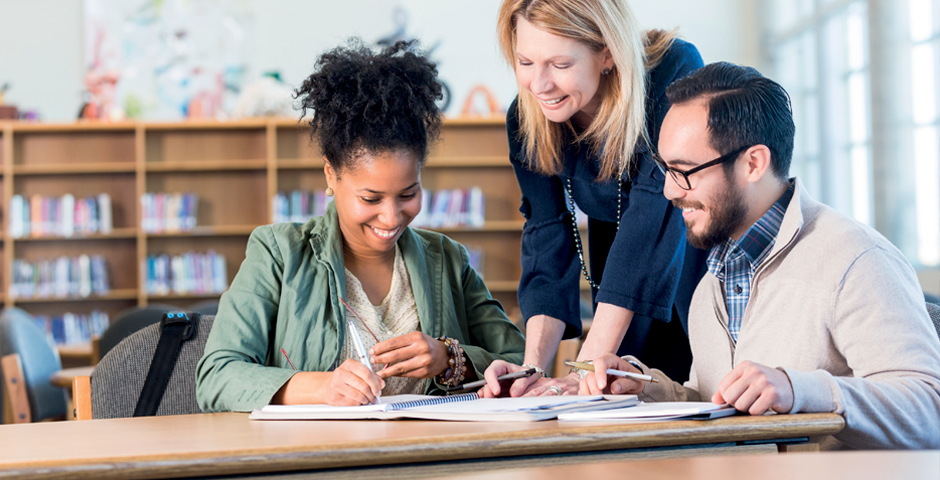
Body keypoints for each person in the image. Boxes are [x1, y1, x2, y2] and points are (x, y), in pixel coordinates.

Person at [582, 62, 940, 450]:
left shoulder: (857, 260)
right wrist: (650, 390)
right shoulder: (710, 281)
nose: (669, 191)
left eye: (684, 171)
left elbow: (927, 409)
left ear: (753, 163)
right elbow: (719, 407)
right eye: (665, 170)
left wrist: (797, 388)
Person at [196, 40, 526, 411]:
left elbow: (521, 363)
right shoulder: (279, 254)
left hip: (431, 459)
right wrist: (321, 388)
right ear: (330, 174)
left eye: (408, 194)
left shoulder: (447, 259)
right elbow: (217, 375)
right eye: (370, 199)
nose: (391, 217)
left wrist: (449, 360)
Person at [483, 0, 707, 397]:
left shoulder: (671, 71)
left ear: (607, 53)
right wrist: (531, 367)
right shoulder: (527, 117)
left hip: (694, 253)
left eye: (560, 65)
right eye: (526, 62)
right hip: (617, 265)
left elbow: (652, 217)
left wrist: (583, 367)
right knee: (611, 393)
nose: (539, 84)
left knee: (699, 394)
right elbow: (546, 239)